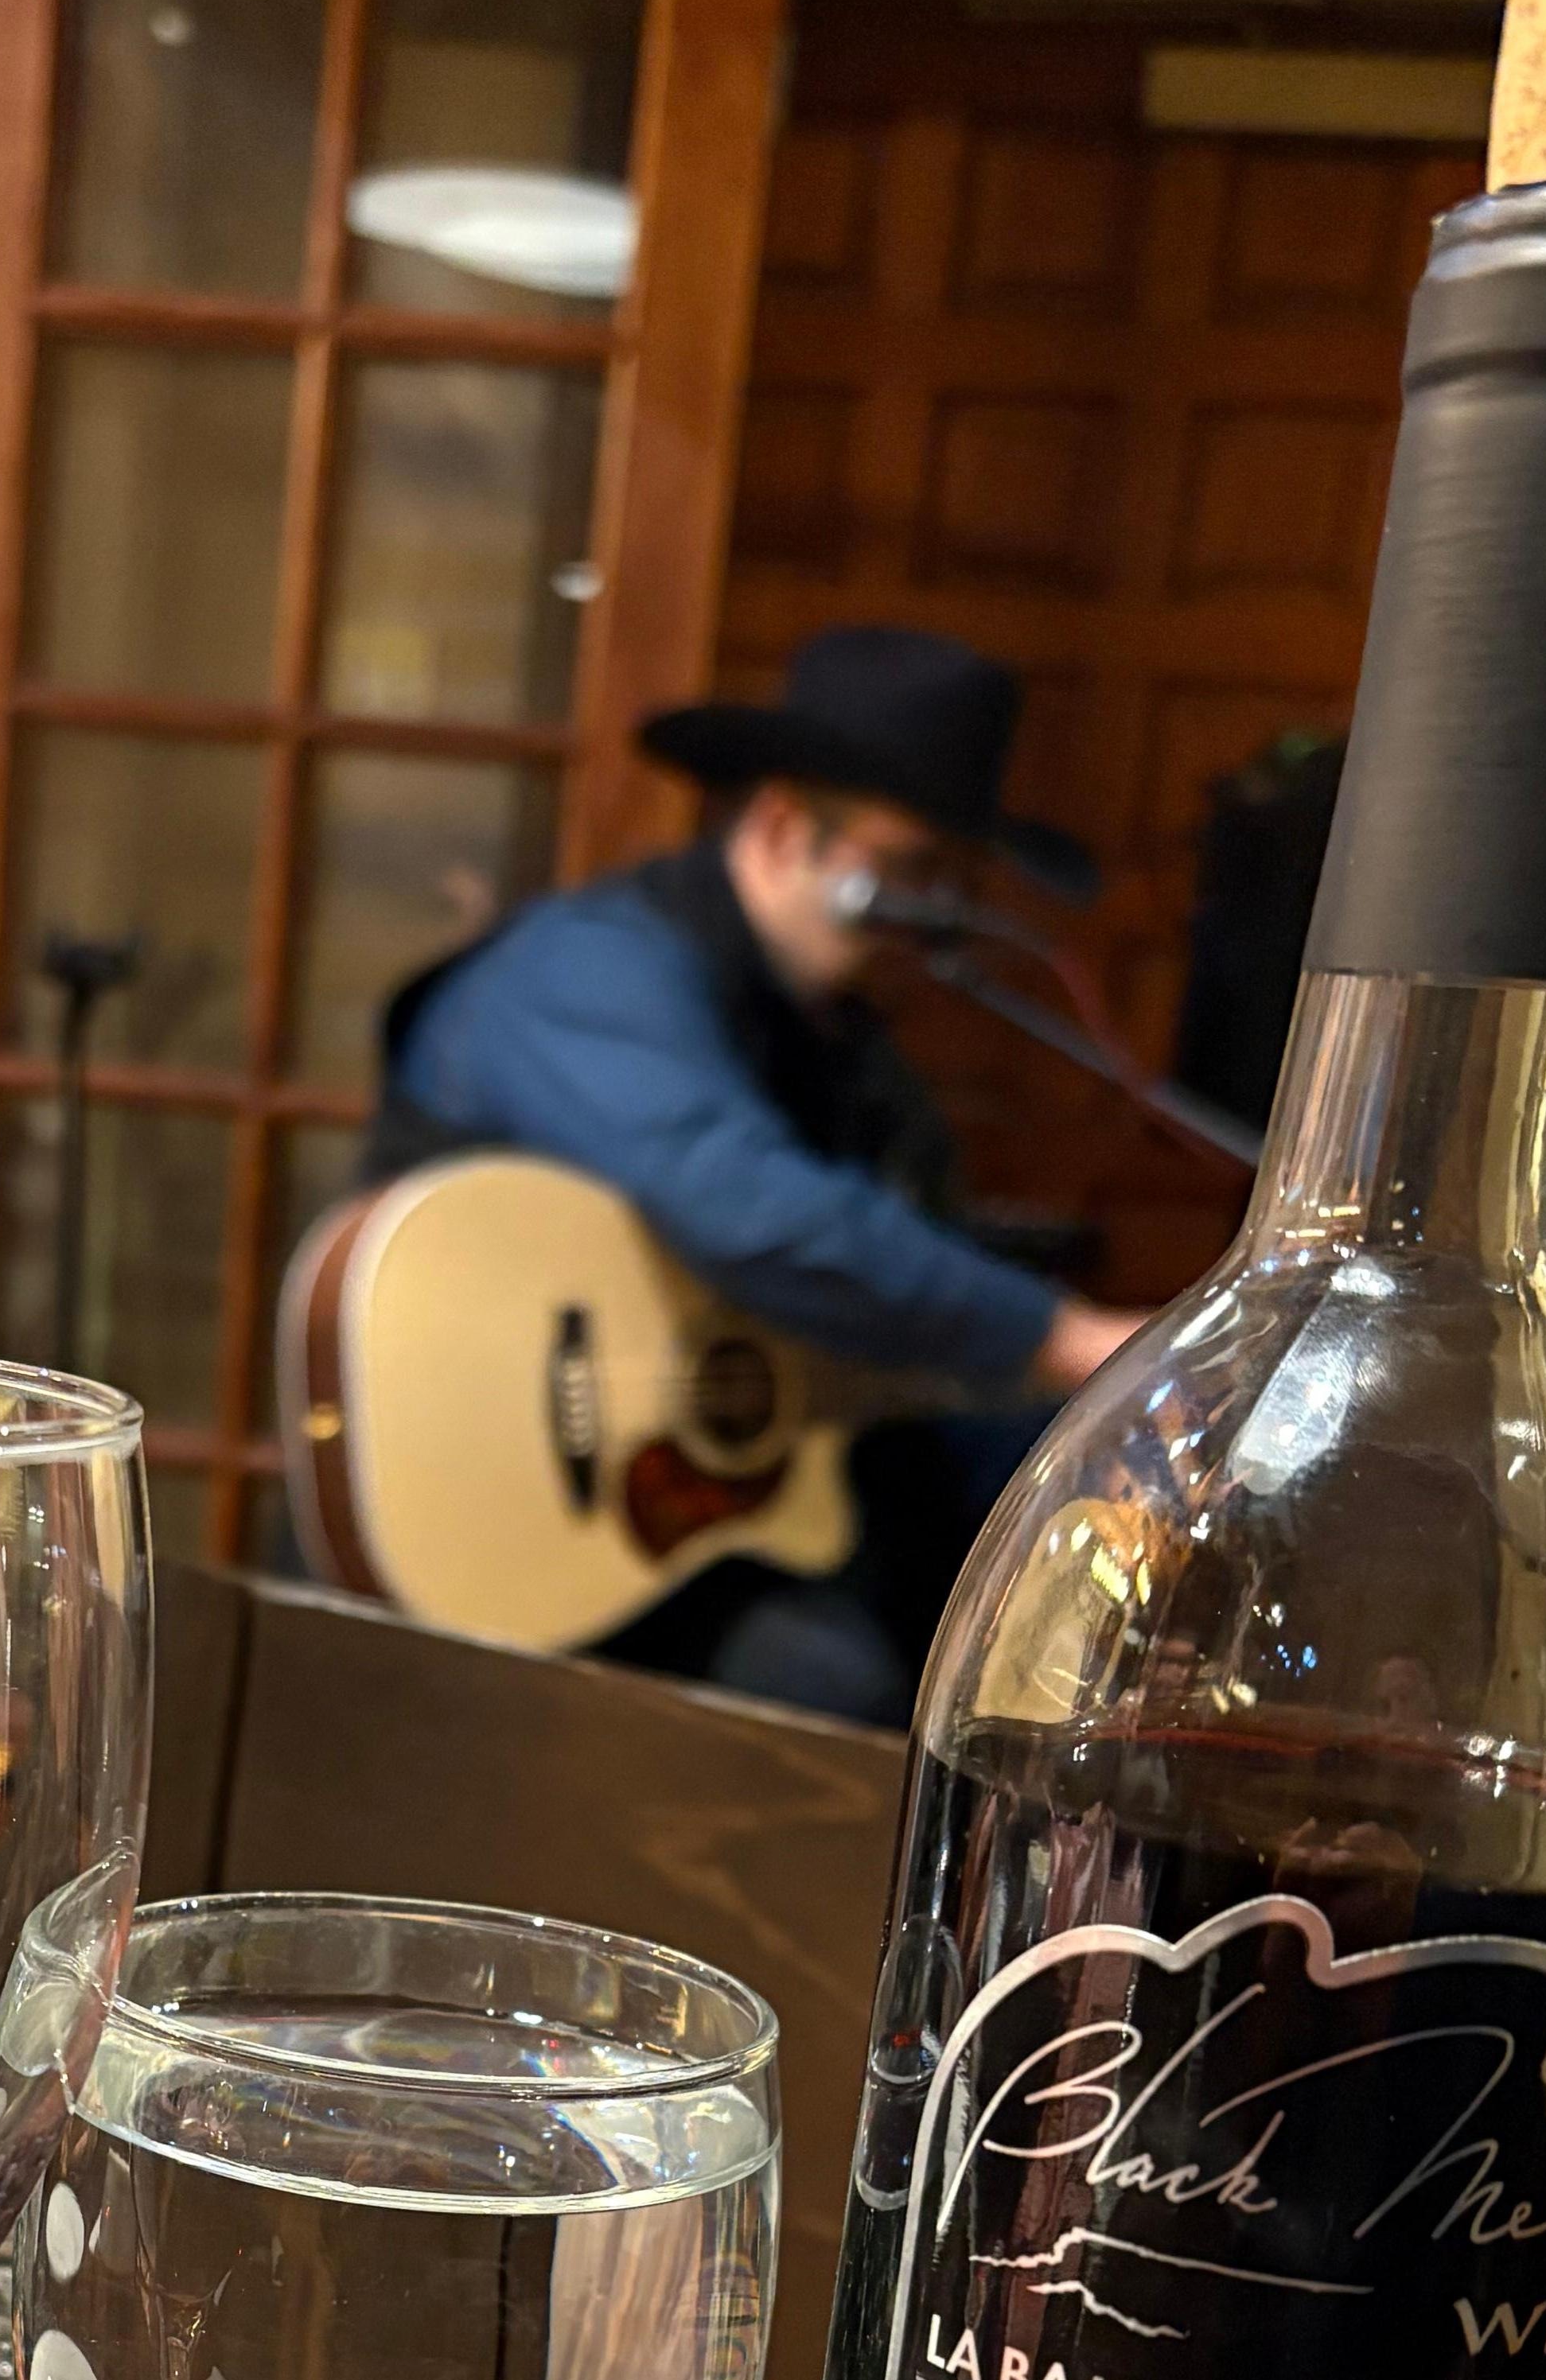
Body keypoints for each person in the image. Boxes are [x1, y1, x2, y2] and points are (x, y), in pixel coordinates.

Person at [360, 626, 1138, 1722]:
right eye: (910, 873)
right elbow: (752, 1212)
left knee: (1026, 1609)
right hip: (492, 1519)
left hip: (701, 1511)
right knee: (837, 1689)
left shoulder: (850, 1057)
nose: (931, 922)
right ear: (779, 827)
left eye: (955, 886)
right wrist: (1061, 1337)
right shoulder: (588, 967)